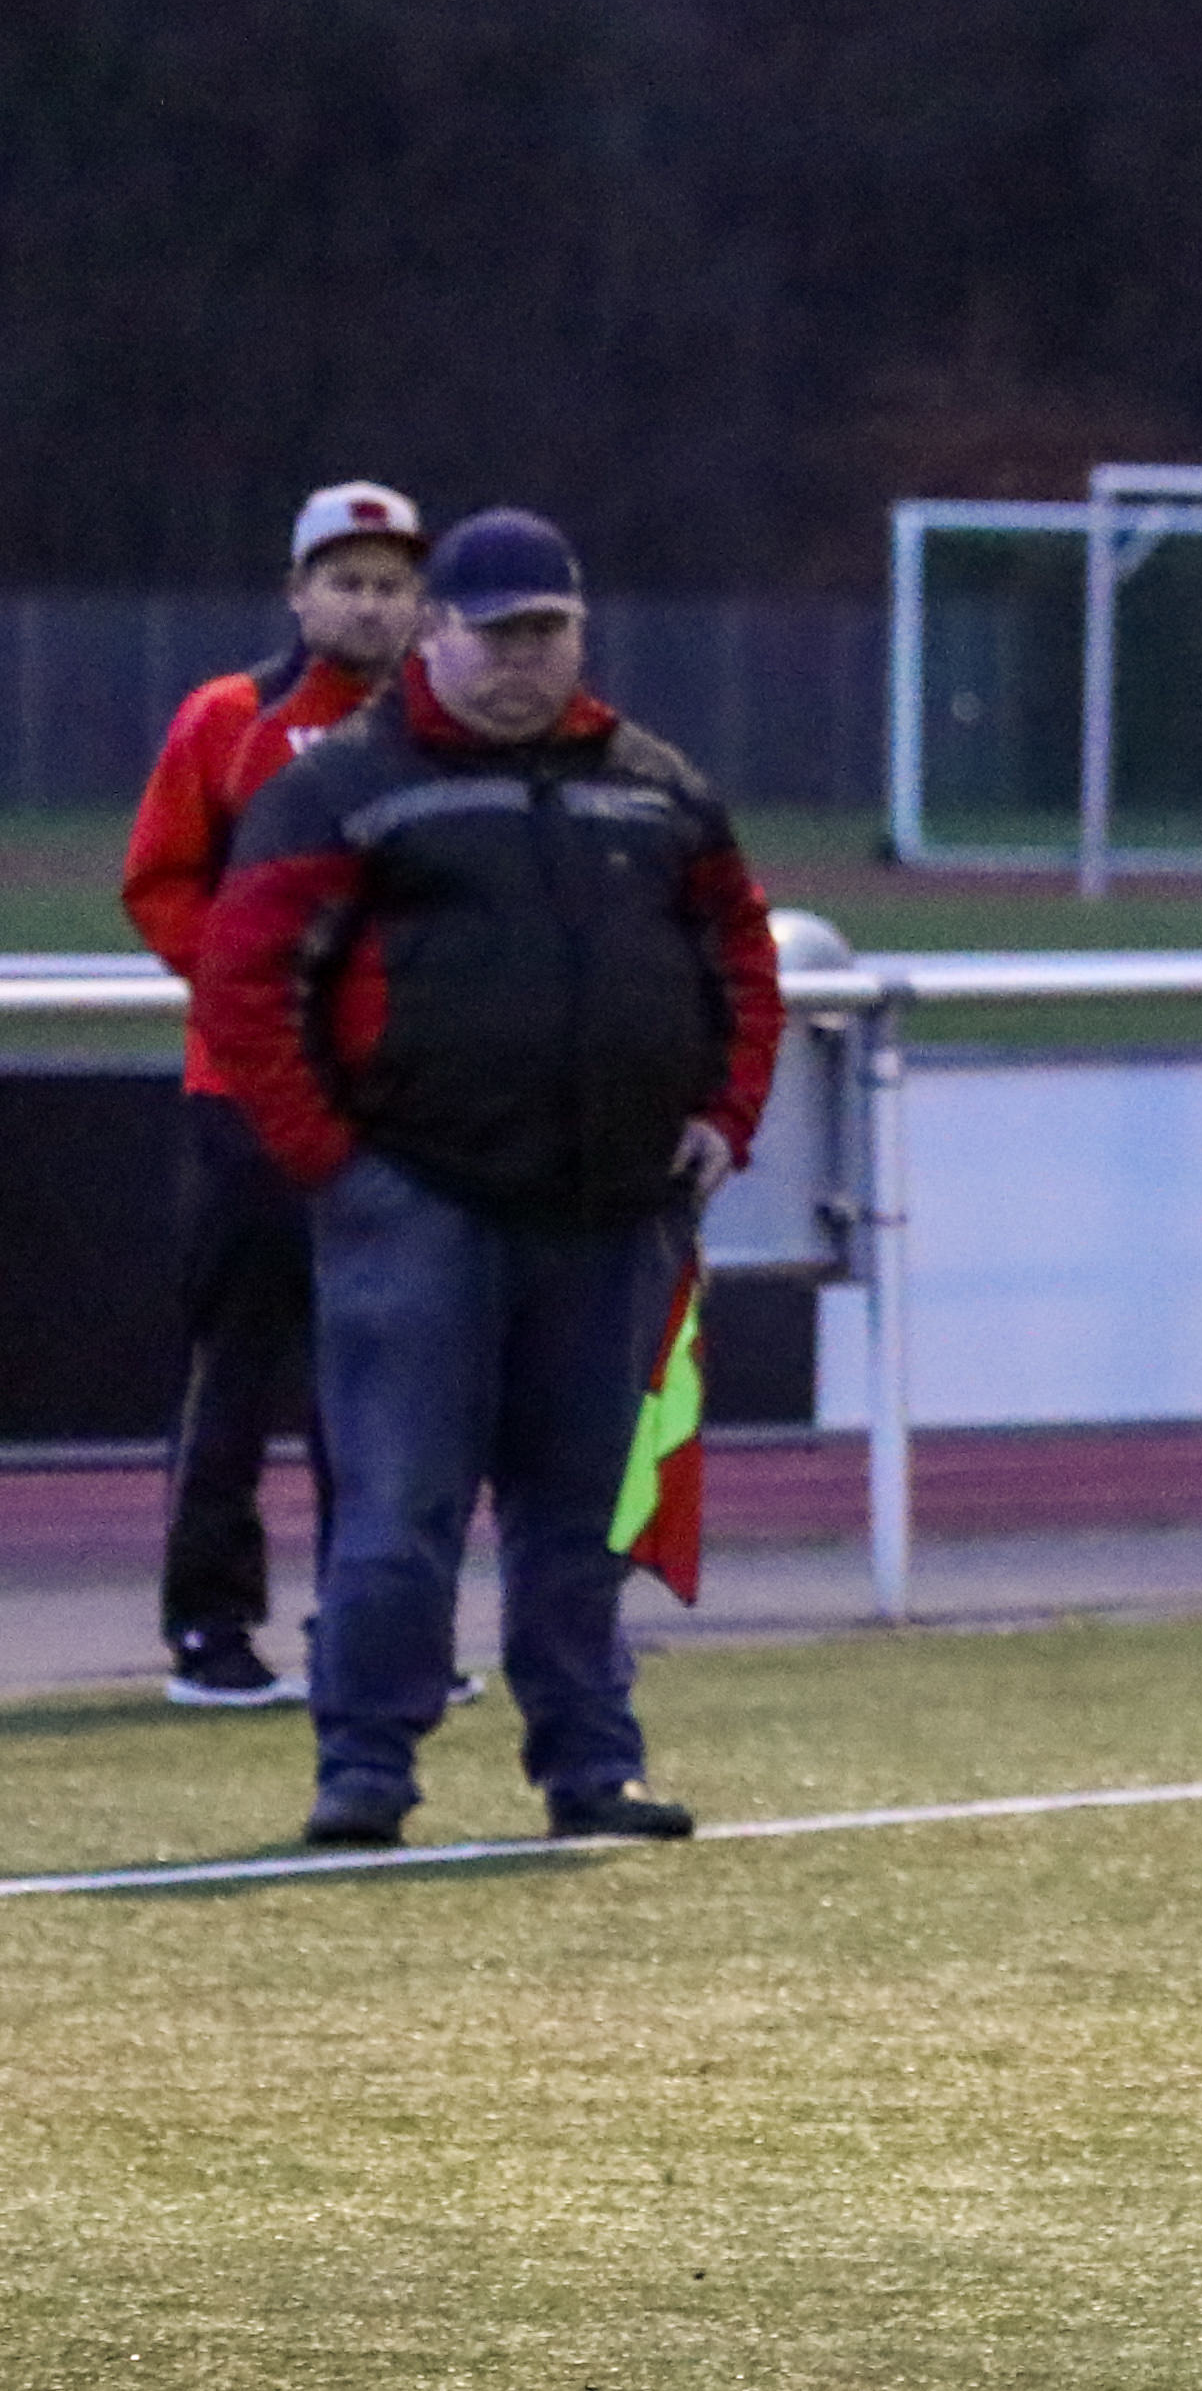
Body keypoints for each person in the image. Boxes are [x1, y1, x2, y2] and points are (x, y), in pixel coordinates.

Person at [193, 509, 780, 1851]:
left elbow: (741, 960)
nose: (525, 658)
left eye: (547, 632)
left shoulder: (660, 786)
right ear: (436, 633)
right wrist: (335, 1164)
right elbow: (244, 980)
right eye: (499, 633)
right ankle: (366, 1767)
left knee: (581, 1514)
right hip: (421, 1197)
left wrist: (726, 1115)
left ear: (581, 630)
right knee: (401, 1505)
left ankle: (592, 1763)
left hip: (612, 1202)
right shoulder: (343, 783)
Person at [116, 482, 427, 1707]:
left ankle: (375, 1621)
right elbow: (160, 882)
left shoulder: (443, 727)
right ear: (297, 592)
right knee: (238, 1367)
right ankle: (210, 1626)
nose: (369, 604)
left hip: (401, 1105)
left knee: (392, 1375)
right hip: (247, 1095)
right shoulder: (229, 718)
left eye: (392, 583)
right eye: (345, 580)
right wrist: (260, 995)